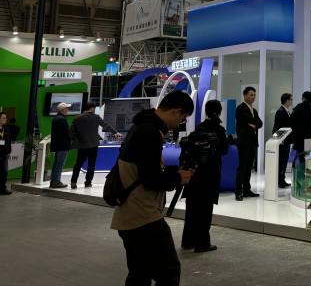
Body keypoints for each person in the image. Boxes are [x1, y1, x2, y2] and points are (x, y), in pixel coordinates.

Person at [111, 90, 194, 286]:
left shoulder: (141, 128)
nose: (179, 123)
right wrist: (177, 177)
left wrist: (171, 172)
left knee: (140, 274)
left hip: (129, 214)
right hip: (142, 215)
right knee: (168, 272)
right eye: (182, 118)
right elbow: (151, 178)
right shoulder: (149, 133)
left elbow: (144, 169)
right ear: (176, 112)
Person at [181, 99, 228, 253]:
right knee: (205, 210)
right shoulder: (219, 130)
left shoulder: (198, 128)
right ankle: (202, 244)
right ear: (219, 111)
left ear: (206, 111)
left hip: (193, 174)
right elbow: (224, 150)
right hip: (209, 175)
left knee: (191, 208)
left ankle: (187, 241)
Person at [70, 101, 117, 188]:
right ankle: (88, 183)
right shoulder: (96, 117)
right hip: (93, 145)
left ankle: (73, 182)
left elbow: (72, 133)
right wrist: (115, 132)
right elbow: (105, 125)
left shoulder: (77, 118)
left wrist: (76, 141)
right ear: (92, 108)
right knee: (91, 164)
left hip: (82, 145)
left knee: (78, 164)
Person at [234, 86, 262, 201]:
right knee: (242, 167)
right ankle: (238, 192)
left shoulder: (254, 110)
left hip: (252, 143)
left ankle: (246, 190)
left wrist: (252, 124)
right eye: (251, 95)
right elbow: (248, 120)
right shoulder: (241, 108)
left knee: (249, 167)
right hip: (244, 142)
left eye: (254, 95)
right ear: (245, 95)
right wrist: (252, 123)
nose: (253, 97)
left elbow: (260, 123)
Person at [273, 93, 293, 188]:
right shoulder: (280, 111)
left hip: (286, 141)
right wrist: (279, 140)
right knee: (281, 162)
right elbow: (277, 127)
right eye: (291, 99)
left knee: (284, 161)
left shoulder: (286, 111)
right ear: (287, 100)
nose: (291, 101)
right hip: (282, 141)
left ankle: (282, 179)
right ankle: (279, 181)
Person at [49, 102, 72, 188]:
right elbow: (66, 133)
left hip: (58, 145)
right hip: (62, 145)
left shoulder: (56, 118)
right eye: (66, 108)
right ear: (62, 110)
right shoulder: (62, 119)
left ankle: (54, 181)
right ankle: (56, 182)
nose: (68, 110)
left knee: (57, 164)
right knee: (59, 164)